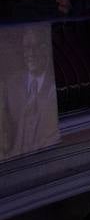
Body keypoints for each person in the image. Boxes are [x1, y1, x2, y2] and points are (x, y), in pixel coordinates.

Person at [1, 23, 60, 158]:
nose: (31, 53)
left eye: (36, 46)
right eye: (27, 48)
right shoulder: (11, 85)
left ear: (45, 48)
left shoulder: (55, 85)